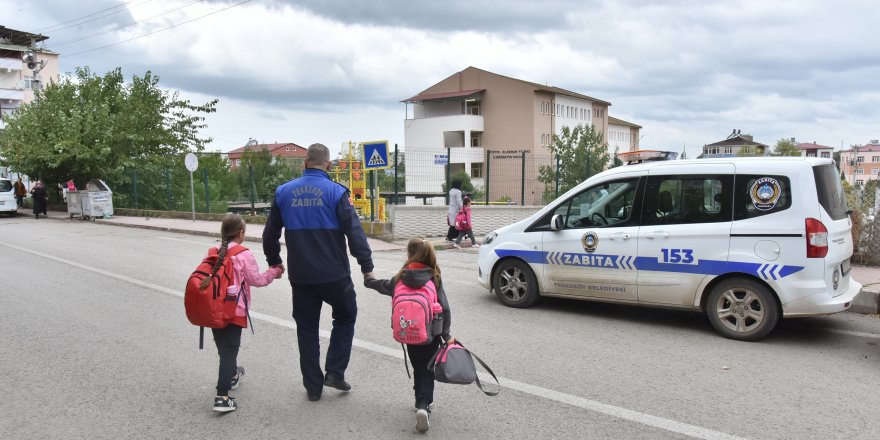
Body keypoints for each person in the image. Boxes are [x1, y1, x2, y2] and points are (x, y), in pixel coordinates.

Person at [263, 143, 374, 402]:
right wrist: (367, 268)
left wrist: (275, 262)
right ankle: (334, 372)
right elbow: (355, 233)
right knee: (346, 315)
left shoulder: (283, 192)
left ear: (304, 163)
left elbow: (270, 234)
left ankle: (313, 387)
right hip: (334, 275)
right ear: (329, 165)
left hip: (301, 277)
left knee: (307, 329)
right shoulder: (336, 193)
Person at [364, 238, 453, 433]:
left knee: (418, 367)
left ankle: (419, 401)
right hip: (430, 335)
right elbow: (444, 308)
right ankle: (423, 405)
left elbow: (383, 285)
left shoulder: (401, 277)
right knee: (427, 370)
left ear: (409, 254)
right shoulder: (434, 277)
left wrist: (369, 280)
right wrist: (446, 336)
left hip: (408, 334)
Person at [204, 214, 283, 412]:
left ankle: (232, 375)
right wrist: (275, 271)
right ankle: (222, 397)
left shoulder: (213, 251)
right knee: (229, 352)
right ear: (241, 233)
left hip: (213, 307)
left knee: (225, 348)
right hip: (234, 310)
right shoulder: (243, 254)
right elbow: (257, 280)